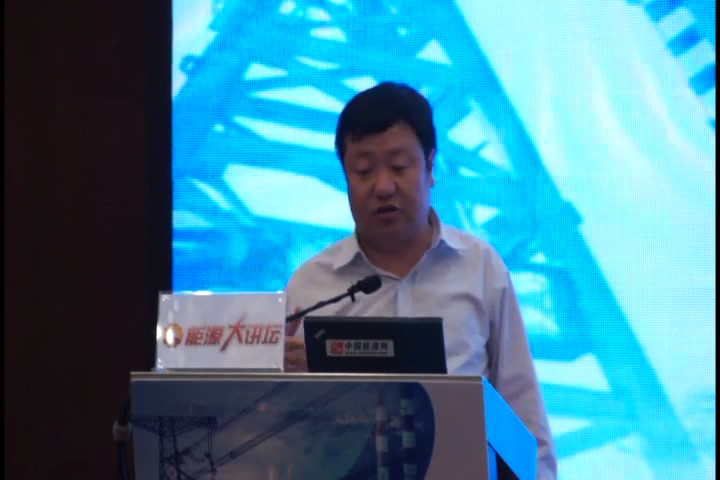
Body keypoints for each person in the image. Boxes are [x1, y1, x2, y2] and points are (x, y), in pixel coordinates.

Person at [284, 81, 557, 479]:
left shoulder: (480, 267)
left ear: (430, 167)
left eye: (399, 167)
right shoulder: (311, 286)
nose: (383, 186)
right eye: (363, 171)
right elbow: (284, 430)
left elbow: (523, 413)